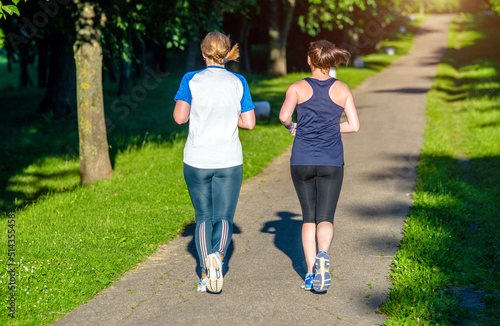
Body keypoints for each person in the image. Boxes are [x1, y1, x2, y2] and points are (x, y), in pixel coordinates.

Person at [173, 32, 256, 293]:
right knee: (224, 217)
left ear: (203, 53)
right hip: (229, 160)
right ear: (227, 52)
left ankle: (204, 272)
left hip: (197, 159)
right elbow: (249, 123)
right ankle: (218, 257)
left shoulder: (191, 79)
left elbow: (179, 118)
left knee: (203, 217)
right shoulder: (238, 81)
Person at [279, 40, 360, 292]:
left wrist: (293, 126)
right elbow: (354, 125)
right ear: (332, 62)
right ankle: (323, 255)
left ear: (309, 60)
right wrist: (330, 127)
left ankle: (310, 273)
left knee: (308, 218)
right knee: (325, 217)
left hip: (302, 160)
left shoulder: (297, 87)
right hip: (332, 161)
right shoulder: (342, 89)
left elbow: (283, 116)